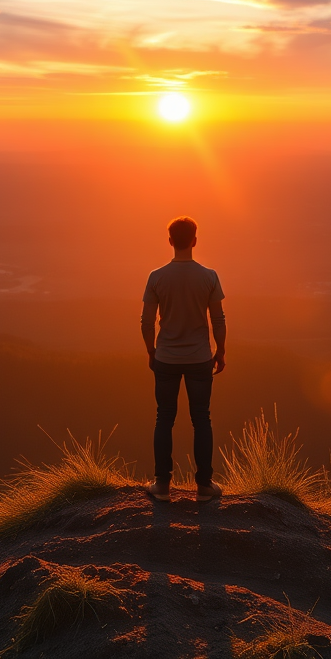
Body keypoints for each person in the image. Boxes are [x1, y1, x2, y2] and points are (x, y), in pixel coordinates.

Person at [141, 215, 226, 503]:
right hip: (200, 358)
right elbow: (218, 319)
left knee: (164, 418)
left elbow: (146, 321)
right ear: (194, 241)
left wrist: (152, 351)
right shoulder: (209, 276)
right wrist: (221, 350)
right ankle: (204, 486)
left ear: (169, 242)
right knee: (201, 418)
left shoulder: (156, 277)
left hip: (166, 357)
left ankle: (162, 485)